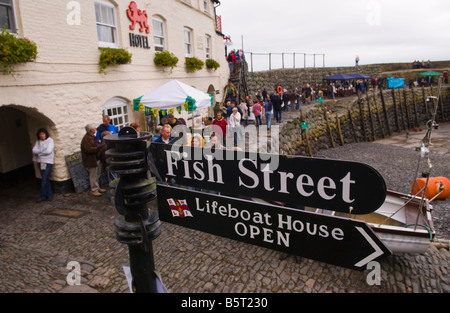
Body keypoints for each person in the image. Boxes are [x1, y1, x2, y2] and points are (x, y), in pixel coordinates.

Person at [81, 124, 106, 196]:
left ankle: (97, 187)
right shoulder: (86, 139)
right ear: (91, 130)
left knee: (97, 174)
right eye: (94, 128)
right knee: (93, 175)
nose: (95, 129)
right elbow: (89, 150)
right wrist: (99, 147)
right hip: (91, 160)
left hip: (96, 158)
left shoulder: (92, 137)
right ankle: (94, 189)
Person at [32, 128, 54, 202]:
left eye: (43, 134)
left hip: (48, 162)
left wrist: (39, 152)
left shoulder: (50, 141)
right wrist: (42, 150)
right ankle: (50, 195)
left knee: (44, 178)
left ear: (46, 134)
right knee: (45, 179)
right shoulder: (38, 142)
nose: (42, 136)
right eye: (40, 134)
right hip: (40, 162)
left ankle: (42, 196)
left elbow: (48, 151)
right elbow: (34, 150)